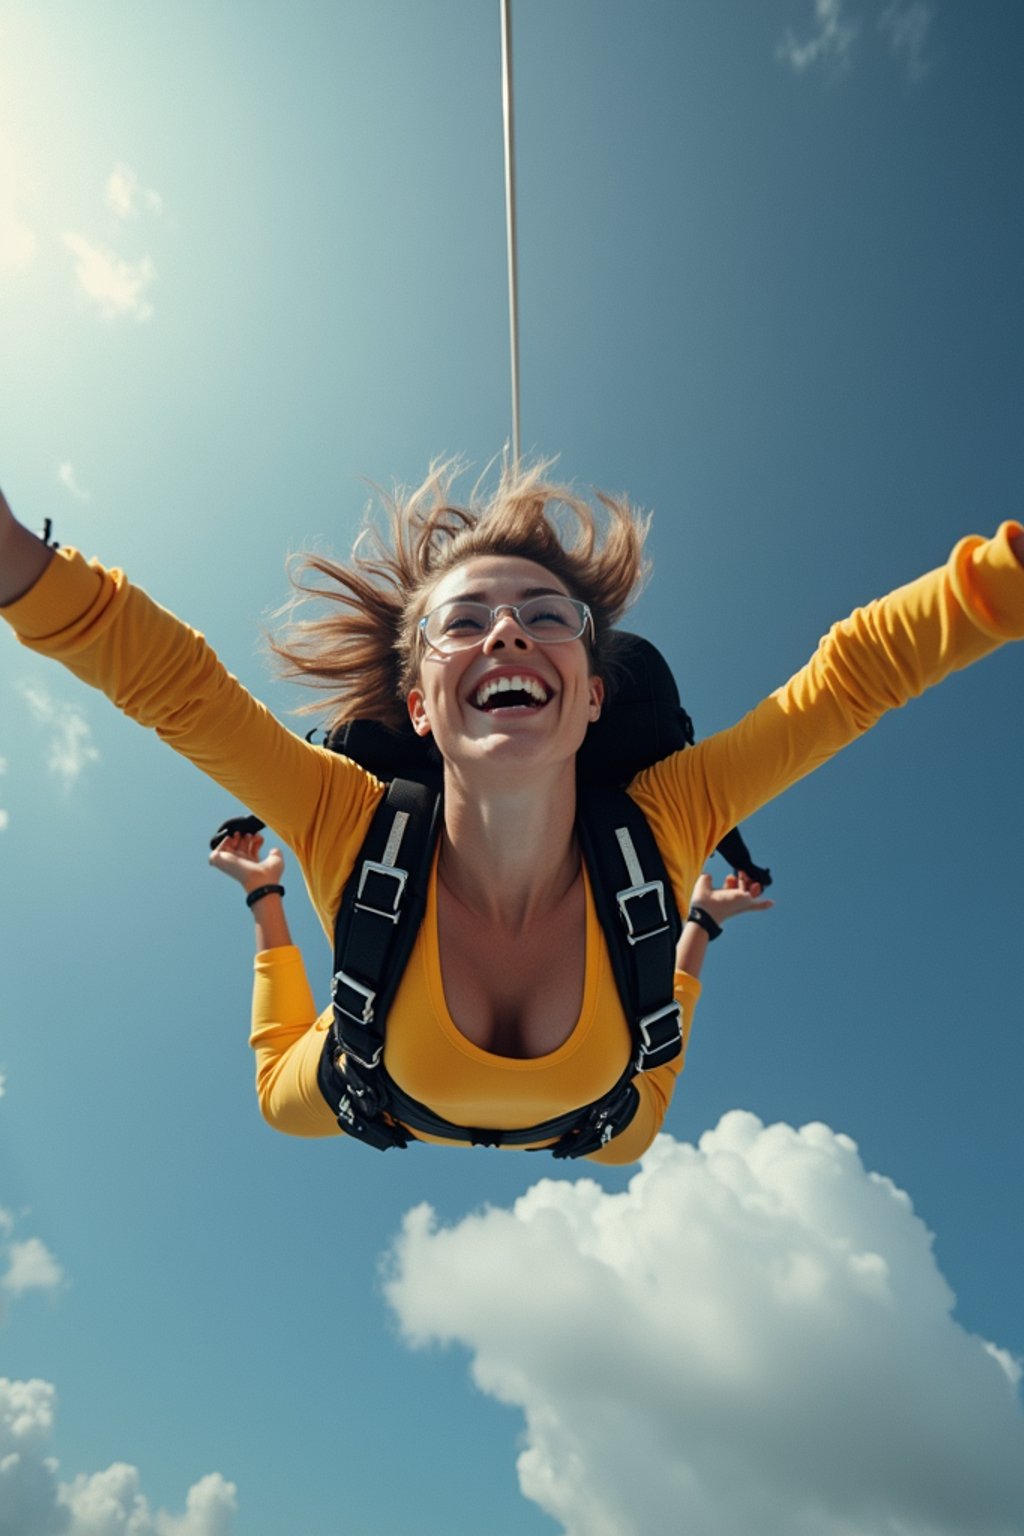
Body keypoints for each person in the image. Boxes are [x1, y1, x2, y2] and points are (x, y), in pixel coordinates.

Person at [2, 467, 1023, 1162]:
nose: (508, 633)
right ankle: (269, 897)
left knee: (293, 1105)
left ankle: (266, 898)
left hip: (541, 1104)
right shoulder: (345, 815)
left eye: (548, 619)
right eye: (464, 621)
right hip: (591, 1115)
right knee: (624, 1120)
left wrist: (1006, 580)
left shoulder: (668, 818)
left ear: (588, 694)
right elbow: (181, 690)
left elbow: (849, 682)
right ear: (416, 704)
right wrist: (15, 564)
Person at [208, 828, 772, 1140]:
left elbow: (664, 1040)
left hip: (374, 1075)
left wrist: (263, 891)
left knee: (277, 1105)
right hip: (591, 1109)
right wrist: (701, 922)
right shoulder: (628, 1125)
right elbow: (663, 1040)